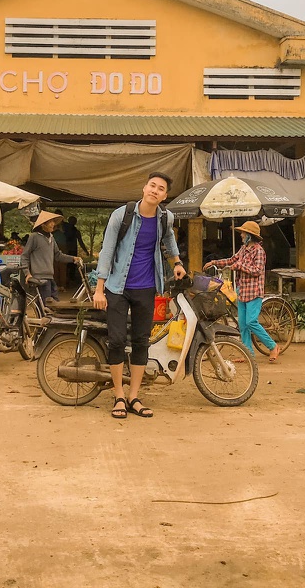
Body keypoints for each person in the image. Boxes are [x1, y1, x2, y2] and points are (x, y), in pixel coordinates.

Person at [93, 172, 186, 420]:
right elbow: (107, 250)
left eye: (161, 188)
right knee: (116, 340)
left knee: (141, 342)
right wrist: (99, 288)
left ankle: (133, 396)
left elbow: (169, 239)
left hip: (146, 287)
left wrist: (176, 262)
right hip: (117, 287)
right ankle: (118, 395)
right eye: (152, 185)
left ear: (165, 196)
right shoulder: (121, 215)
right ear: (144, 188)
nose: (155, 190)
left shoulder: (165, 218)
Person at [204, 221, 278, 364]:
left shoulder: (259, 251)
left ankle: (273, 346)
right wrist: (214, 262)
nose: (242, 235)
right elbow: (231, 260)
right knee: (243, 325)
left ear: (250, 235)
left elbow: (257, 270)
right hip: (243, 290)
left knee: (251, 322)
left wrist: (240, 266)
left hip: (254, 291)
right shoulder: (243, 249)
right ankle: (248, 354)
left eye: (244, 233)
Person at [21, 210, 83, 303]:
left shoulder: (51, 238)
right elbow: (24, 256)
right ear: (43, 224)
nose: (53, 224)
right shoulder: (34, 237)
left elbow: (58, 255)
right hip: (39, 278)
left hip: (50, 277)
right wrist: (27, 273)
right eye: (50, 222)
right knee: (46, 306)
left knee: (55, 305)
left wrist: (73, 258)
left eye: (53, 222)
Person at [61, 216, 89, 284]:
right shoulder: (64, 229)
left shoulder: (73, 230)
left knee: (71, 266)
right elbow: (80, 242)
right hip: (68, 250)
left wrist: (85, 250)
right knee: (68, 266)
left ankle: (69, 280)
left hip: (70, 250)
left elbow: (80, 241)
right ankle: (68, 280)